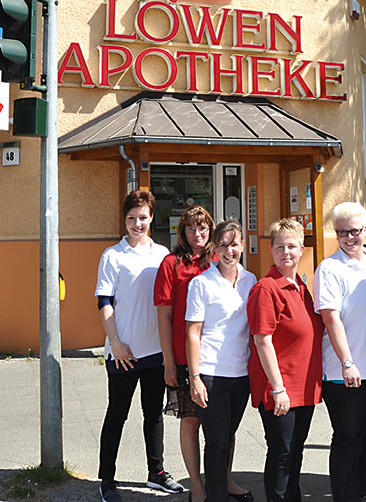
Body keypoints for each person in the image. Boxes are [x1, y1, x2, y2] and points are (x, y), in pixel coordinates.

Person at [95, 190, 184, 502]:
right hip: (122, 353)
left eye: (143, 218)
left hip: (155, 351)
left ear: (151, 218)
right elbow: (104, 303)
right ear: (125, 219)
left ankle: (156, 473)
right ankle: (107, 479)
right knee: (116, 414)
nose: (137, 223)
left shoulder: (162, 255)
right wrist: (116, 343)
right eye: (132, 218)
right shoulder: (113, 256)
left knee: (154, 414)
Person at [155, 206, 248, 502]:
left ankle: (224, 480)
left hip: (224, 362)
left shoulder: (217, 261)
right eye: (192, 229)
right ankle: (197, 484)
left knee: (222, 430)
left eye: (204, 228)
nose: (198, 234)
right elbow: (164, 316)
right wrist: (169, 361)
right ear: (183, 232)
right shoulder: (173, 263)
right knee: (192, 421)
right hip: (188, 359)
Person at [313, 202, 366, 502]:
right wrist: (347, 362)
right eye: (341, 232)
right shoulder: (329, 268)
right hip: (343, 370)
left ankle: (360, 490)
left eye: (354, 231)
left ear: (364, 230)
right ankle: (345, 495)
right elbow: (331, 318)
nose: (348, 237)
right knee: (347, 436)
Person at [247, 218, 324, 502]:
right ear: (271, 250)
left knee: (296, 450)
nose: (286, 252)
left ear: (301, 249)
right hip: (281, 387)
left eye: (291, 246)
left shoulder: (301, 286)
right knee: (281, 452)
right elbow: (262, 339)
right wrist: (278, 388)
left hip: (304, 385)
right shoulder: (267, 288)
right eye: (280, 247)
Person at [186, 219, 257, 502]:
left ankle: (224, 487)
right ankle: (214, 496)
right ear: (214, 248)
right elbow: (193, 332)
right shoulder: (201, 283)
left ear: (242, 245)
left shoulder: (250, 280)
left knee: (228, 436)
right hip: (211, 373)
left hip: (240, 374)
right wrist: (195, 379)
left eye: (234, 244)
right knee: (215, 443)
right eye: (223, 245)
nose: (230, 251)